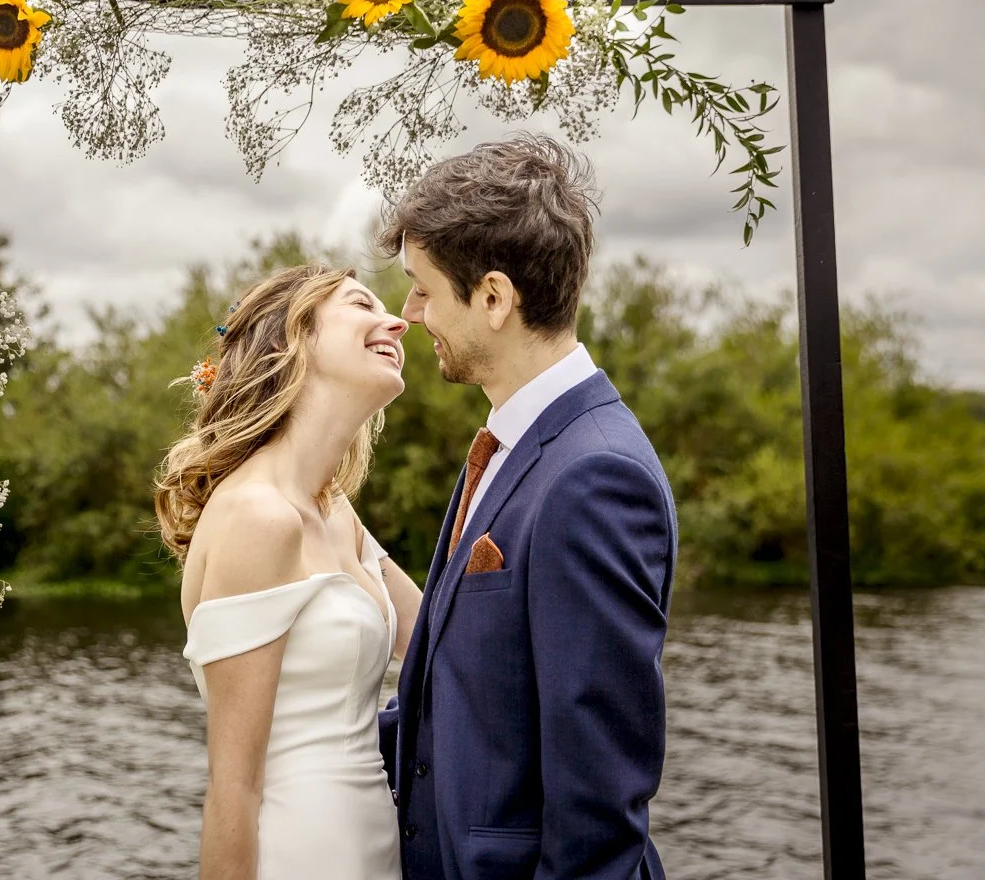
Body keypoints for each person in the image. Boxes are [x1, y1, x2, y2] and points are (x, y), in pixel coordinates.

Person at [374, 133, 678, 880]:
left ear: (494, 297)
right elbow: (475, 695)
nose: (410, 313)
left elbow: (598, 806)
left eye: (422, 287)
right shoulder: (515, 442)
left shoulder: (595, 476)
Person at [156, 264, 423, 880]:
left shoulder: (336, 513)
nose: (397, 322)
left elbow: (440, 640)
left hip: (376, 850)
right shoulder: (258, 516)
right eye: (362, 304)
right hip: (297, 854)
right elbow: (234, 789)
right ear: (294, 339)